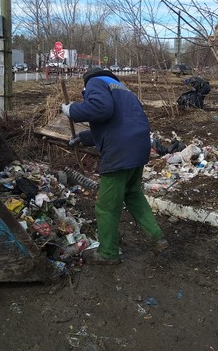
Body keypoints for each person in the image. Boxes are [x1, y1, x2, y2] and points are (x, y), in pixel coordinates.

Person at [61, 66, 168, 265]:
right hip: (138, 146)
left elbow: (101, 109)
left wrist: (72, 110)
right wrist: (82, 138)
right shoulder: (121, 88)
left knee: (106, 206)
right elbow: (118, 123)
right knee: (133, 193)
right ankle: (157, 237)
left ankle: (108, 253)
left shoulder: (94, 82)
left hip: (119, 151)